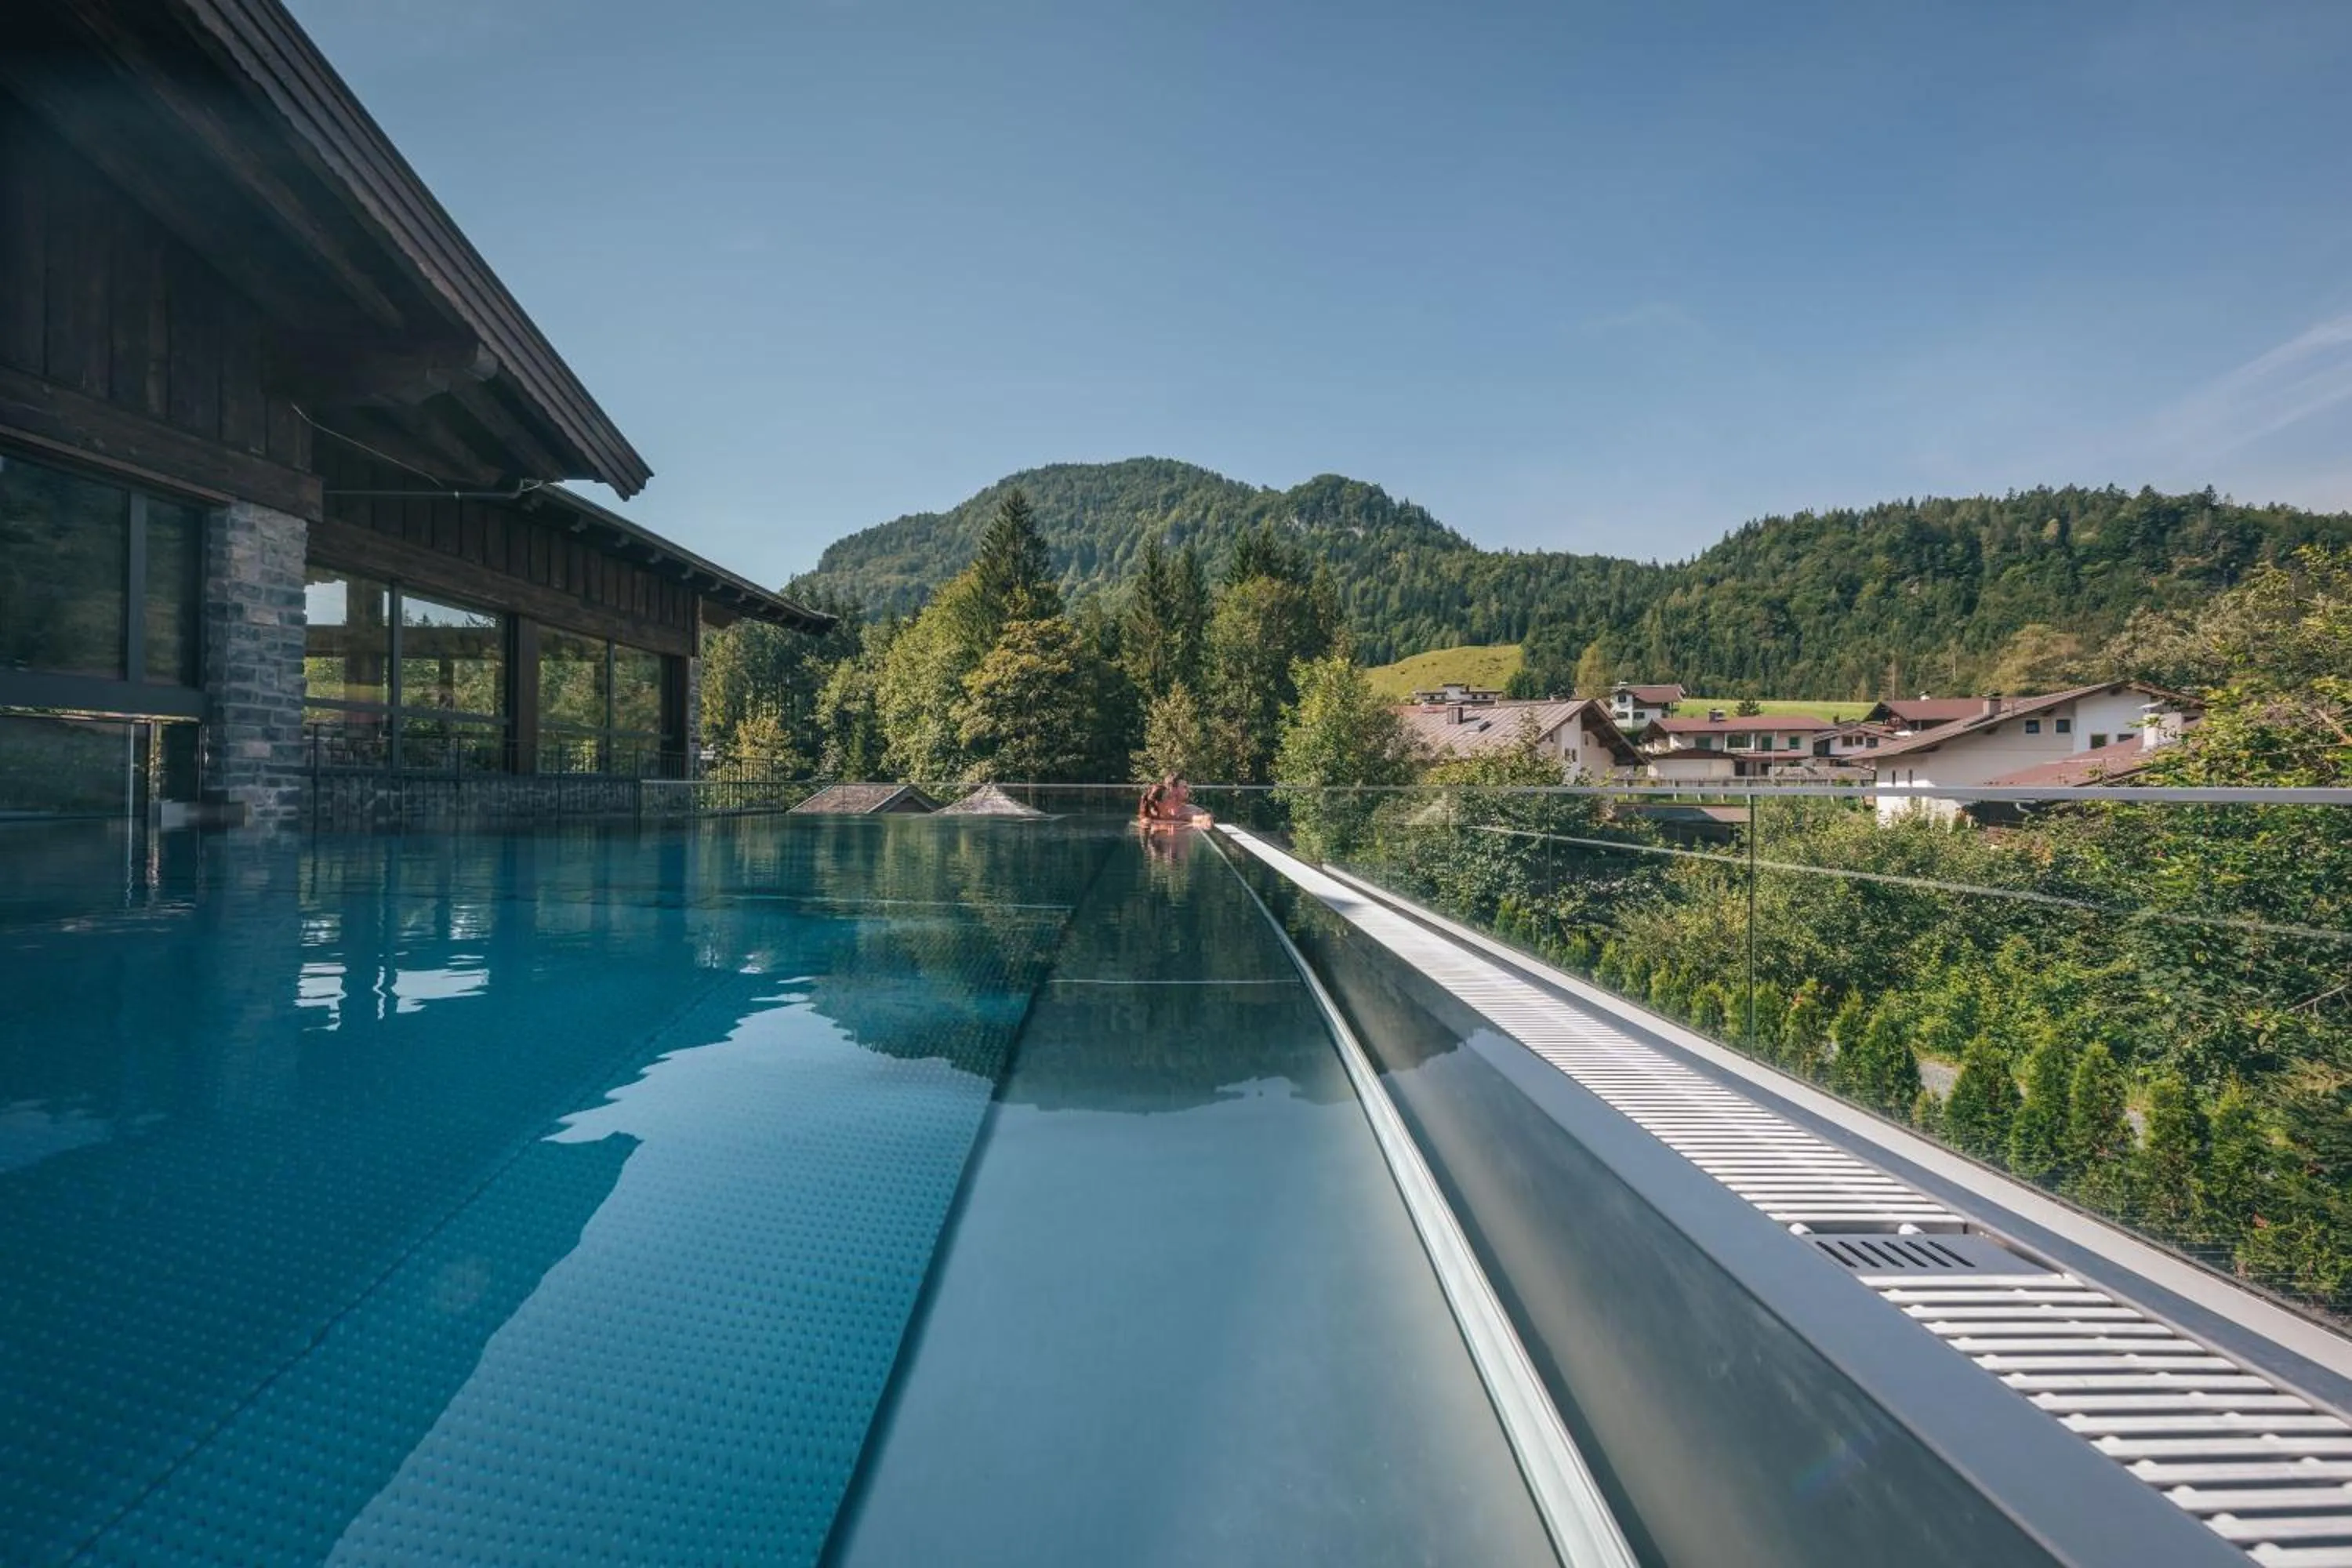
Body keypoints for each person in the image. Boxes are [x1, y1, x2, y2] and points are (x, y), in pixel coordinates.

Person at [1138, 773, 1211, 829]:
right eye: (1169, 797)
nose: (1173, 798)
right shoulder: (1149, 820)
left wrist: (1206, 818)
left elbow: (1205, 818)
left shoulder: (1183, 816)